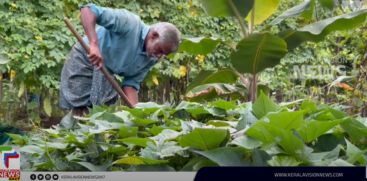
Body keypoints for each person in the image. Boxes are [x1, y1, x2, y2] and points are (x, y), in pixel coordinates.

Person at [59, 3, 181, 115]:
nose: (159, 56)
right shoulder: (129, 23)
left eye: (163, 54)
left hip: (106, 72)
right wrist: (94, 45)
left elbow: (131, 86)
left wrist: (137, 116)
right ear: (153, 36)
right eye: (160, 50)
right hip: (85, 58)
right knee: (77, 109)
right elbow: (88, 10)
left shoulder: (151, 58)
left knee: (102, 113)